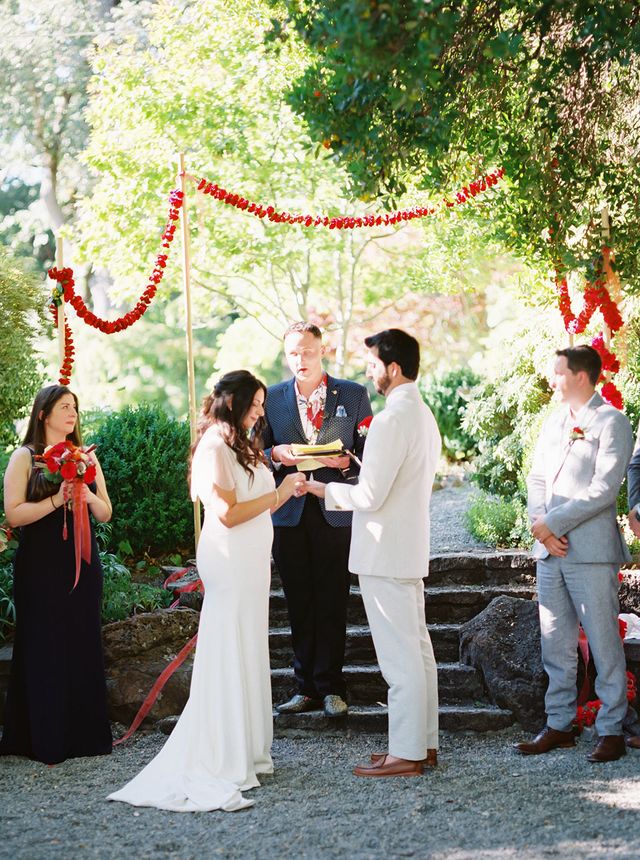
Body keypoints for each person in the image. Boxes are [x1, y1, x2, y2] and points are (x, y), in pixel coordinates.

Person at [108, 371, 305, 812]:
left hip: (252, 561)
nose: (260, 411)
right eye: (254, 403)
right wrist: (283, 494)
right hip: (230, 559)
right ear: (233, 403)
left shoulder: (242, 442)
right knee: (230, 645)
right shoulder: (215, 447)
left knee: (249, 644)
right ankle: (223, 751)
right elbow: (229, 514)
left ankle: (249, 748)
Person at [304, 329, 441, 777]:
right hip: (407, 548)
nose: (368, 371)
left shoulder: (389, 420)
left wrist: (323, 488)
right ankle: (423, 743)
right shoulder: (423, 415)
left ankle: (406, 753)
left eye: (372, 364)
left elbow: (370, 496)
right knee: (418, 651)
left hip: (384, 552)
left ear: (392, 368)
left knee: (400, 659)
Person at [515, 345, 633, 763]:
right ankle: (559, 724)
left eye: (558, 372)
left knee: (603, 642)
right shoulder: (553, 423)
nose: (552, 379)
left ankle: (611, 730)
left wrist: (555, 523)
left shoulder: (612, 422)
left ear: (581, 376)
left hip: (591, 552)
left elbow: (604, 489)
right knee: (555, 643)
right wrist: (541, 526)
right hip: (550, 551)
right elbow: (537, 477)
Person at [262, 322, 372, 717]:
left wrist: (347, 464)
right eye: (292, 353)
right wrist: (277, 454)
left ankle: (332, 687)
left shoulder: (354, 394)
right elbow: (254, 454)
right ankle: (303, 686)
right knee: (297, 601)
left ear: (322, 350)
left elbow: (369, 454)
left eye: (307, 351)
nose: (300, 359)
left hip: (335, 510)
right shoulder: (271, 398)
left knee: (332, 600)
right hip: (288, 513)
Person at [0, 384, 113, 765]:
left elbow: (106, 513)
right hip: (40, 565)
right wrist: (57, 498)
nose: (72, 414)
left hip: (81, 561)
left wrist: (86, 494)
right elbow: (14, 514)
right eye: (64, 407)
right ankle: (42, 738)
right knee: (44, 644)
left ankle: (85, 736)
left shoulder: (87, 457)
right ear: (43, 414)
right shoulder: (24, 457)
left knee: (82, 640)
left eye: (75, 408)